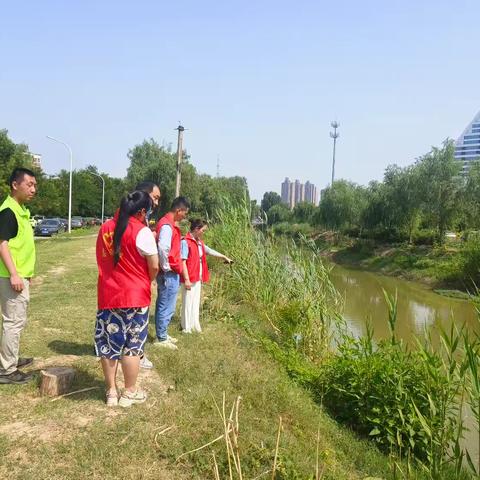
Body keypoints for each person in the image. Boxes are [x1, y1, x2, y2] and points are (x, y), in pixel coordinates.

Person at [95, 191, 159, 407]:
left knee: (109, 345)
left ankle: (111, 392)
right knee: (133, 346)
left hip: (108, 295)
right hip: (135, 296)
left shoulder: (105, 228)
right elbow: (155, 266)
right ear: (142, 211)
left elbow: (101, 260)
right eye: (148, 210)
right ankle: (129, 392)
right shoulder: (142, 232)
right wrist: (145, 281)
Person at [0, 168, 37, 385]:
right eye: (29, 184)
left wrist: (26, 273)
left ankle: (9, 359)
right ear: (15, 185)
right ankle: (7, 369)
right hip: (10, 277)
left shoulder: (19, 209)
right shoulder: (9, 211)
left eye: (35, 185)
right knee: (13, 322)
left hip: (19, 275)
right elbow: (2, 244)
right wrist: (14, 274)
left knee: (15, 321)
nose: (33, 189)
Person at [180, 219, 232, 333]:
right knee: (187, 302)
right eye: (203, 230)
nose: (204, 232)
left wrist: (224, 257)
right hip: (189, 276)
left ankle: (194, 324)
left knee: (195, 301)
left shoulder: (199, 242)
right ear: (197, 229)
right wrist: (187, 279)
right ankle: (186, 327)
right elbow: (182, 261)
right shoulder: (185, 242)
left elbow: (210, 251)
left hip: (197, 276)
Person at [154, 196, 190, 350]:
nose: (185, 216)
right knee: (165, 304)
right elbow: (163, 247)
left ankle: (163, 333)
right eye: (185, 213)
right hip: (169, 272)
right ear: (178, 210)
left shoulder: (168, 223)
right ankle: (161, 338)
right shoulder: (167, 225)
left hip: (171, 271)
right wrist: (166, 266)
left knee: (168, 304)